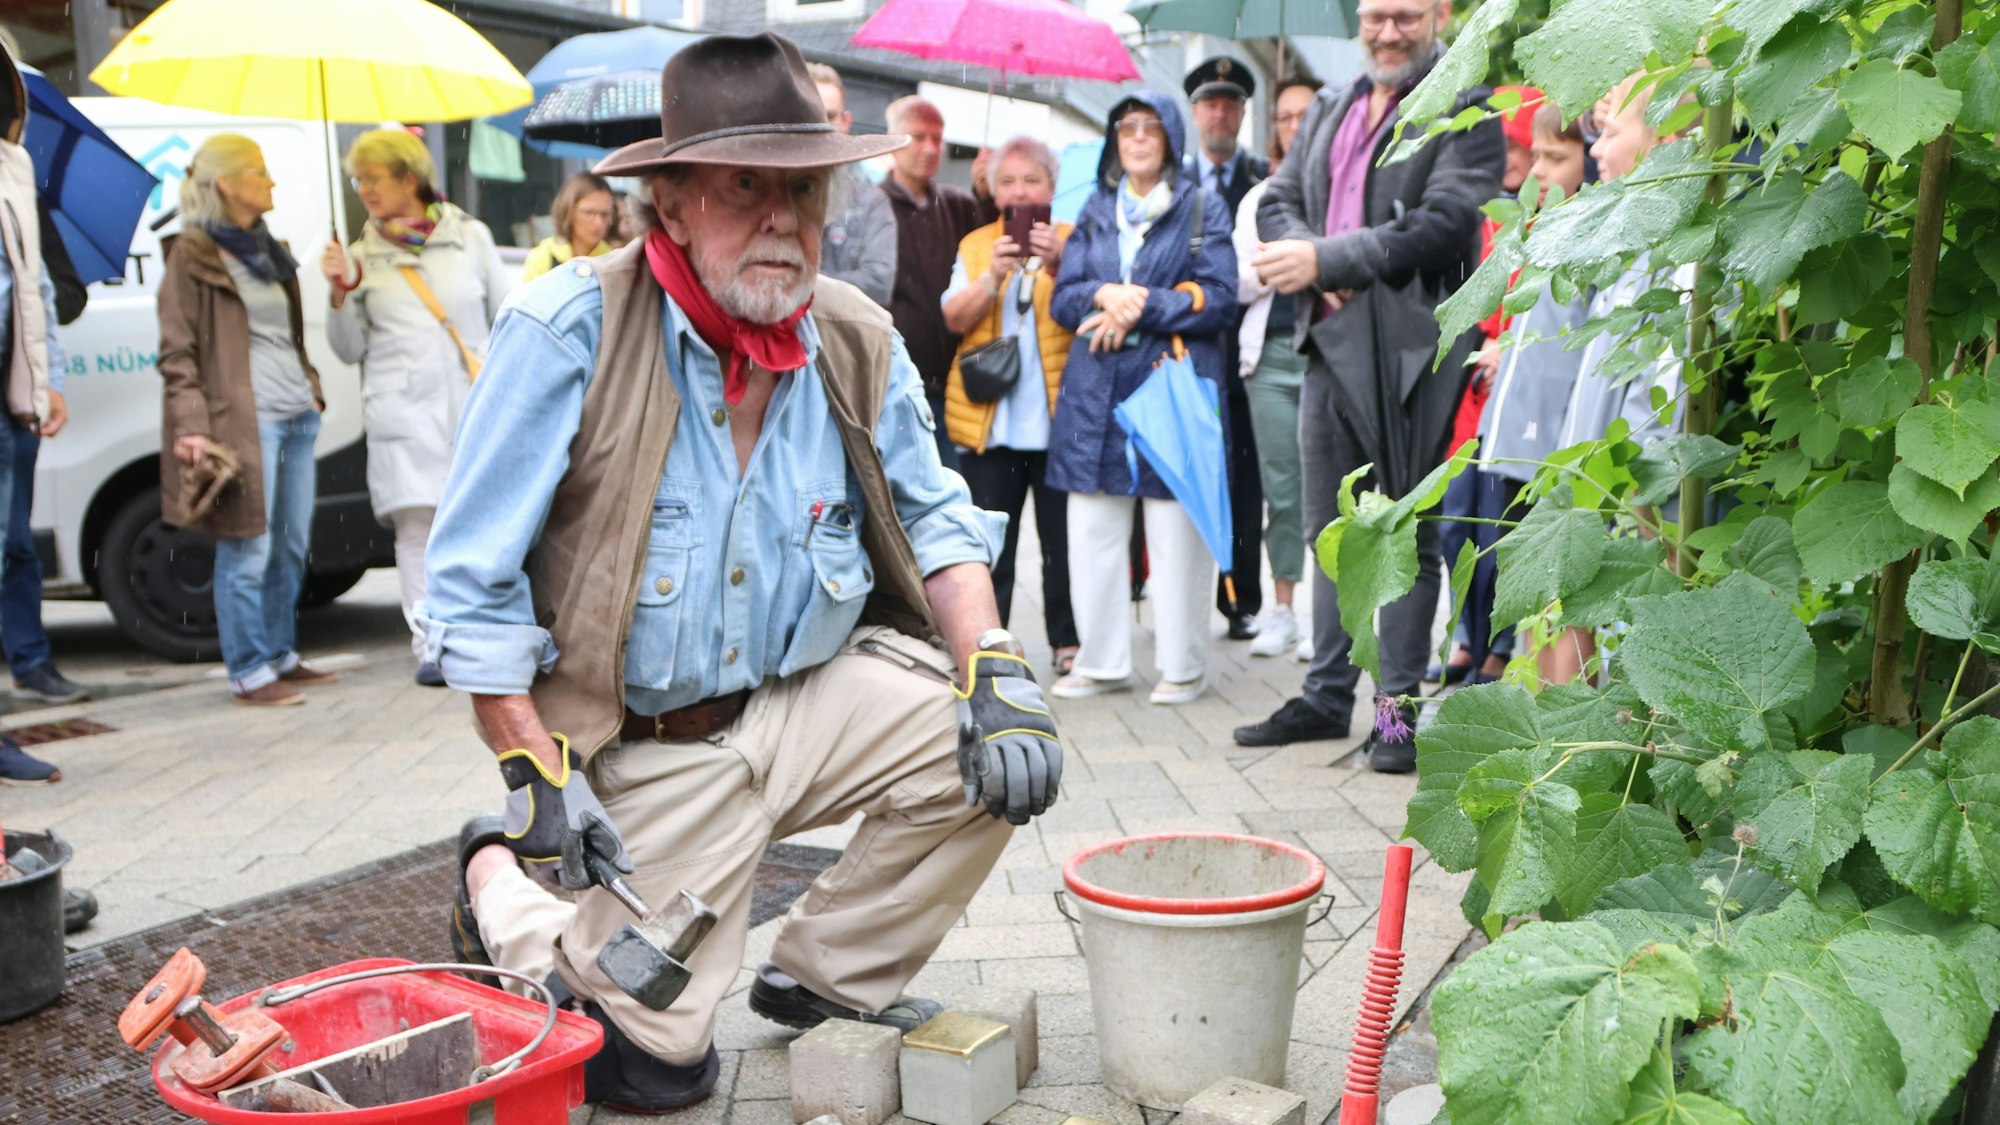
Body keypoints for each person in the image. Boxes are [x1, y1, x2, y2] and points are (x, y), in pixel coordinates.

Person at [421, 33, 1062, 1112]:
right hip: (651, 752)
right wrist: (534, 772)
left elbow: (937, 518)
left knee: (1000, 754)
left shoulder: (852, 336)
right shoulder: (567, 332)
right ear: (668, 203)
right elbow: (468, 592)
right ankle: (497, 886)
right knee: (644, 1070)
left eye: (803, 191)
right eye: (744, 188)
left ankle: (820, 978)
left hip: (807, 698)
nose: (782, 219)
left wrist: (993, 668)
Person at [1234, 0, 1504, 769]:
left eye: (1406, 17)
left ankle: (1395, 721)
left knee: (1403, 534)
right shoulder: (1330, 100)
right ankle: (1325, 696)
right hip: (1327, 341)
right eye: (1376, 16)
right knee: (1335, 535)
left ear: (1440, 13)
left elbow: (1449, 219)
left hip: (1411, 349)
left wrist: (1332, 261)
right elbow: (1279, 197)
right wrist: (1317, 258)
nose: (1388, 32)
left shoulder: (1467, 104)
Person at [1046, 93, 1236, 707]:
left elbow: (1221, 293)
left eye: (1150, 127)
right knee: (1093, 528)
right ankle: (1102, 661)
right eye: (1126, 126)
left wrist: (1141, 304)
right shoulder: (1095, 208)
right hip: (1094, 388)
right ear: (1113, 138)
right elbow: (1064, 297)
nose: (1137, 137)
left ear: (1171, 136)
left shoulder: (1202, 207)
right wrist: (1107, 292)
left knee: (1174, 526)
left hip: (1168, 382)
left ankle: (1182, 665)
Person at [321, 128, 507, 687]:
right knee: (417, 529)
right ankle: (432, 647)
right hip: (402, 412)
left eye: (374, 178)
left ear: (409, 178)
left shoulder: (469, 238)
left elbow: (506, 316)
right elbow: (348, 348)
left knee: (486, 522)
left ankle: (488, 635)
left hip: (473, 403)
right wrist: (339, 293)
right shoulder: (357, 256)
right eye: (358, 180)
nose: (365, 190)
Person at [158, 135, 336, 708]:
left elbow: (288, 333)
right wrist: (191, 424)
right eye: (259, 173)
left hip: (294, 414)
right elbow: (176, 350)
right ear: (227, 184)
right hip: (241, 420)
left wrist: (310, 388)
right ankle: (248, 669)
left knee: (290, 544)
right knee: (247, 546)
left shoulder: (270, 249)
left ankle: (281, 652)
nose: (272, 182)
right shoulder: (191, 254)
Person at [1543, 74, 1695, 685]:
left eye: (1609, 133)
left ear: (1670, 142)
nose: (1596, 152)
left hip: (1636, 502)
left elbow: (1663, 403)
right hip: (1598, 490)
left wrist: (1627, 495)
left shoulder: (1684, 258)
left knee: (1633, 653)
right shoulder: (1635, 247)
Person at [1459, 100, 1595, 684]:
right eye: (1535, 155)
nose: (1537, 170)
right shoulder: (1545, 226)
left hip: (1556, 440)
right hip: (1519, 433)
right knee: (1534, 585)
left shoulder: (1590, 232)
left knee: (1565, 597)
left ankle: (1567, 720)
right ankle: (1539, 710)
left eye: (1555, 157)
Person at [940, 136, 1079, 675]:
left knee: (1060, 543)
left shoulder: (1070, 240)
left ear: (1050, 186)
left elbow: (1083, 309)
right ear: (994, 192)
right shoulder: (977, 244)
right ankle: (987, 646)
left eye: (1031, 180)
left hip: (1057, 422)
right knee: (989, 543)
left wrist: (1060, 264)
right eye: (1008, 182)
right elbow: (953, 317)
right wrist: (991, 278)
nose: (1019, 191)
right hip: (988, 423)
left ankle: (1067, 643)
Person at [1433, 83, 1544, 687]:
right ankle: (1466, 635)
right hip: (1475, 394)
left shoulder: (1544, 218)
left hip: (1514, 392)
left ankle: (1498, 645)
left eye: (1510, 142)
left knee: (1503, 528)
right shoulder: (1490, 217)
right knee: (1459, 526)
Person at [1233, 77, 1322, 663]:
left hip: (1325, 354)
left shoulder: (1343, 188)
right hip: (1268, 359)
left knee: (1331, 489)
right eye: (1285, 117)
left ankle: (1331, 618)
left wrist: (1291, 263)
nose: (1295, 125)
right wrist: (1296, 265)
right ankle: (1283, 608)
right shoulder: (1260, 197)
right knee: (1284, 491)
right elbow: (1238, 280)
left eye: (1306, 115)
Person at [1185, 56, 1271, 642]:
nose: (1219, 112)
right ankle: (1181, 597)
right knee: (1187, 474)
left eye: (1230, 103)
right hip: (1188, 348)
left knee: (1245, 479)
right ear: (1194, 112)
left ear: (1242, 113)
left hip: (1245, 352)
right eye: (1209, 103)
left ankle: (1239, 597)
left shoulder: (1267, 181)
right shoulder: (1173, 184)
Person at [0, 44, 67, 783]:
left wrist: (44, 379)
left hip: (7, 397)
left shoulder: (12, 166)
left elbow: (30, 288)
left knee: (11, 549)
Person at [880, 96, 986, 473]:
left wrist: (986, 191)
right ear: (893, 139)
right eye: (917, 136)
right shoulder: (873, 206)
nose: (929, 148)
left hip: (955, 383)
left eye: (937, 139)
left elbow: (987, 247)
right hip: (893, 383)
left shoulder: (960, 205)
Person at [808, 63, 896, 308]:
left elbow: (878, 287)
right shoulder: (771, 196)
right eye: (812, 114)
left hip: (843, 341)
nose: (822, 126)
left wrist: (800, 284)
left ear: (846, 122)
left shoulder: (870, 201)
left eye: (830, 116)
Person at [521, 172, 618, 283]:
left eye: (604, 214)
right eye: (589, 213)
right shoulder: (543, 256)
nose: (598, 222)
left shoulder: (615, 260)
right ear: (569, 211)